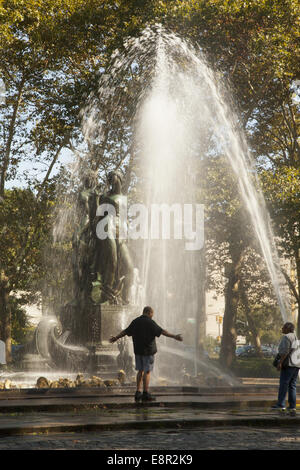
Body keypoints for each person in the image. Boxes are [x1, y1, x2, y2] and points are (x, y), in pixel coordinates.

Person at [110, 306, 183, 401]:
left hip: (138, 351)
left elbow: (125, 331)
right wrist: (174, 336)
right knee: (147, 371)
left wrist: (116, 337)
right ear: (149, 313)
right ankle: (145, 393)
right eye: (152, 314)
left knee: (140, 371)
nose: (152, 316)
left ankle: (137, 392)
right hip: (148, 351)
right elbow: (162, 331)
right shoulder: (150, 322)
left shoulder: (135, 321)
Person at [272, 322, 300, 416]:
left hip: (288, 364)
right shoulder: (296, 337)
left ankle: (281, 404)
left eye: (283, 327)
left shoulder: (287, 337)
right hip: (296, 365)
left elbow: (285, 351)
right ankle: (292, 406)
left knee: (283, 384)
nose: (282, 329)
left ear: (288, 328)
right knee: (292, 386)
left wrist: (280, 363)